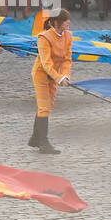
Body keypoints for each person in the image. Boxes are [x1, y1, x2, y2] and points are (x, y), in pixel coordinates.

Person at [29, 9, 72, 154]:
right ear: (57, 22)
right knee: (44, 107)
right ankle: (43, 143)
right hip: (41, 74)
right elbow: (46, 63)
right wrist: (58, 78)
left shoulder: (68, 36)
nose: (68, 22)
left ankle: (35, 137)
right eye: (66, 20)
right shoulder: (44, 37)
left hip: (53, 76)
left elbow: (67, 59)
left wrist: (65, 75)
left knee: (47, 106)